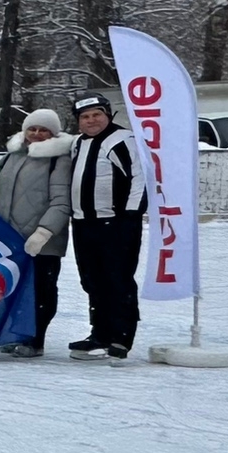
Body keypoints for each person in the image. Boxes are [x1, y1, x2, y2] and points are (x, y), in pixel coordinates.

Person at [64, 91, 148, 360]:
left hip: (115, 223)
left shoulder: (122, 140)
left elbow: (140, 177)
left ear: (108, 115)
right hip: (83, 224)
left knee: (118, 279)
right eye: (85, 117)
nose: (91, 121)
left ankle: (121, 337)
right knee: (92, 280)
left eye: (96, 115)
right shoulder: (78, 143)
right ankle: (99, 333)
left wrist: (130, 216)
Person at [0, 107, 73, 358]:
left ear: (53, 133)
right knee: (14, 290)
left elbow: (61, 202)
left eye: (43, 129)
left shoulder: (58, 160)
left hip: (42, 241)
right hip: (11, 239)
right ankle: (16, 334)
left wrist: (43, 232)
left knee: (41, 290)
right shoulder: (11, 156)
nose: (36, 134)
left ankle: (35, 338)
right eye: (32, 128)